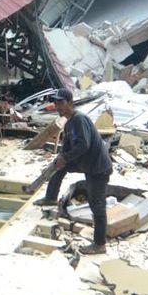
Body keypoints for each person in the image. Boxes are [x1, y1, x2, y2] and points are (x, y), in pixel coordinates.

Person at [34, 87, 113, 255]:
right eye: (56, 103)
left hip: (97, 168)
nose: (58, 106)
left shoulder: (79, 119)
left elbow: (84, 145)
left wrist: (66, 158)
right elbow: (68, 145)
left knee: (97, 205)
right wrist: (61, 157)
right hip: (86, 163)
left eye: (61, 103)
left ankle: (100, 244)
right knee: (58, 167)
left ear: (70, 103)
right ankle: (50, 198)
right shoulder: (69, 122)